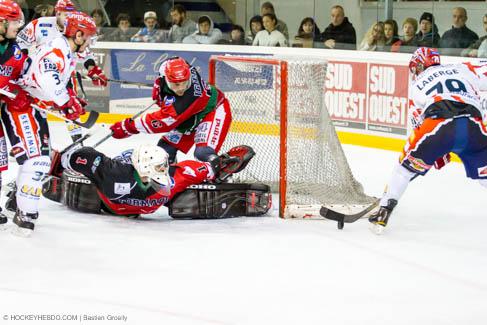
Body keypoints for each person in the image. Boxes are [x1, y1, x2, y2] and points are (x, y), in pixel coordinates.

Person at [369, 47, 487, 234]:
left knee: (404, 169)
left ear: (419, 65)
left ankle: (384, 211)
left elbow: (419, 126)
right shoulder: (462, 68)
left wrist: (438, 153)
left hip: (439, 125)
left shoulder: (417, 86)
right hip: (474, 125)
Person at [2, 12, 97, 235]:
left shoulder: (65, 49)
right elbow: (47, 75)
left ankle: (18, 203)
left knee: (41, 160)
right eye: (90, 37)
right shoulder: (58, 48)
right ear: (79, 35)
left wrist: (67, 98)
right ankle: (24, 212)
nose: (91, 42)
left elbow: (46, 81)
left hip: (32, 107)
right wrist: (65, 101)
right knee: (37, 162)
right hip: (22, 107)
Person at [109, 57, 232, 169]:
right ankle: (169, 176)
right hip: (191, 116)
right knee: (164, 150)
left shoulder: (187, 99)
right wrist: (160, 90)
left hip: (213, 111)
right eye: (176, 84)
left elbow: (163, 121)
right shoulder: (180, 67)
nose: (181, 88)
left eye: (184, 83)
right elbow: (170, 63)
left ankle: (226, 169)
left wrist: (128, 127)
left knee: (203, 154)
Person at [0, 0, 26, 229]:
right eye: (13, 22)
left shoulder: (16, 51)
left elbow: (20, 80)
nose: (18, 26)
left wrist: (17, 91)